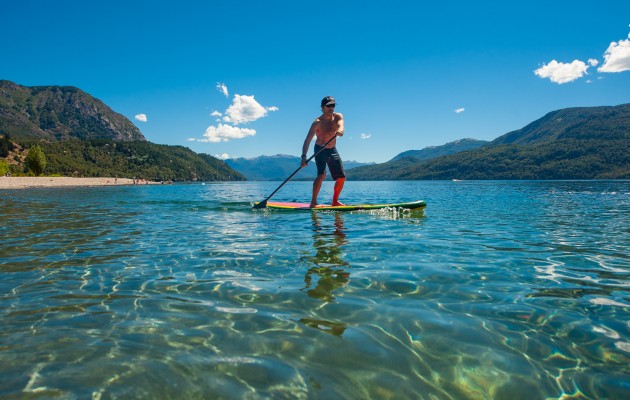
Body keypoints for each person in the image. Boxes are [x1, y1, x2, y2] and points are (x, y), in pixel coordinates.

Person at [301, 96, 346, 208]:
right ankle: (313, 202)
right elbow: (307, 140)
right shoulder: (317, 123)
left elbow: (341, 125)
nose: (331, 108)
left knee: (341, 177)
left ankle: (335, 201)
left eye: (333, 105)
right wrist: (303, 157)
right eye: (328, 106)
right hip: (320, 149)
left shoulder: (338, 116)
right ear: (322, 107)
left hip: (332, 149)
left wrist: (340, 130)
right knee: (321, 175)